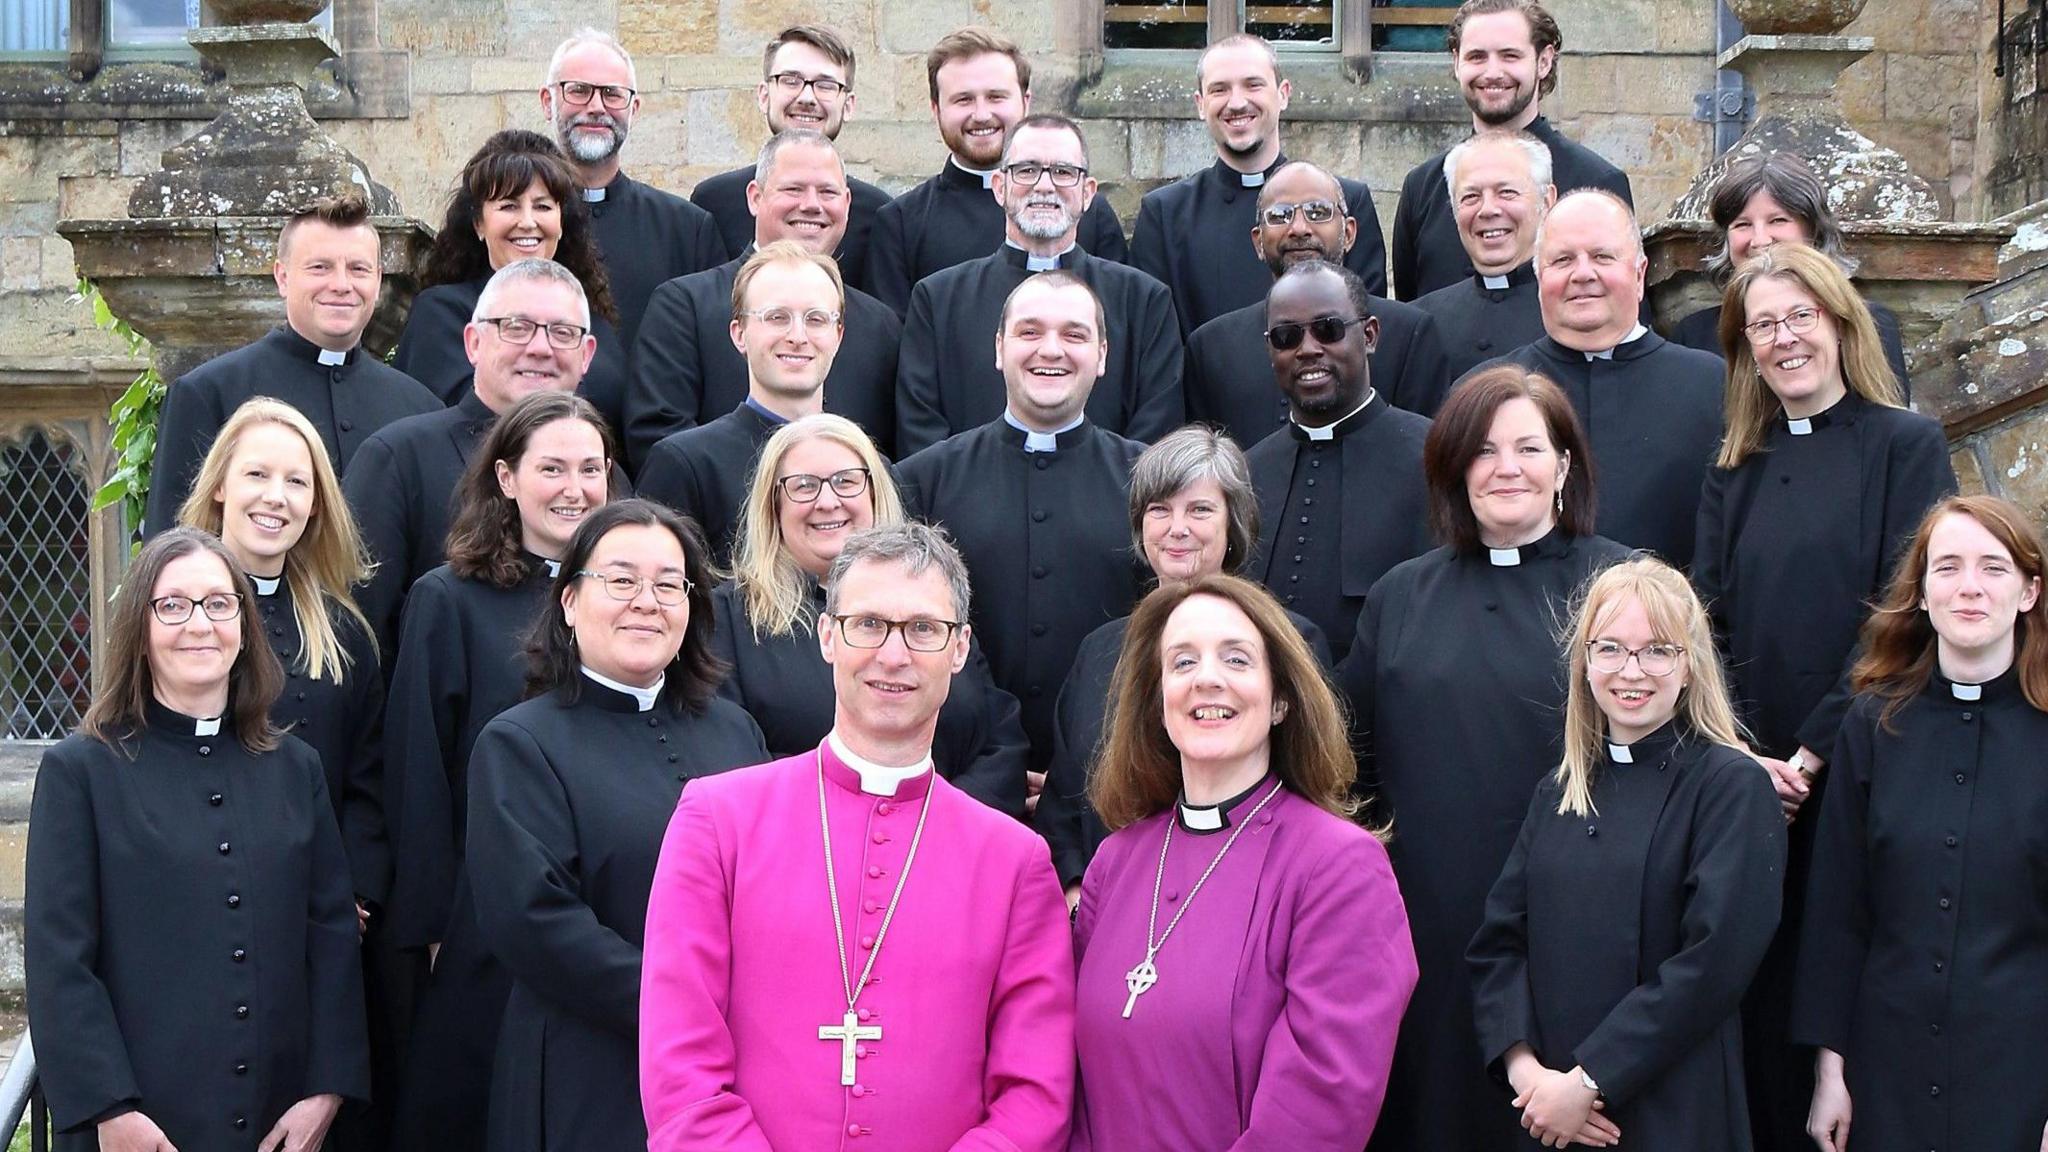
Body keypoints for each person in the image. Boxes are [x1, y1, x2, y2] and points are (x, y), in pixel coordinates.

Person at [640, 522, 1075, 1151]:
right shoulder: (718, 820)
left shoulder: (1014, 862)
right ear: (827, 637)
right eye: (867, 624)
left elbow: (1035, 1093)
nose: (893, 655)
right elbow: (679, 1064)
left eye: (923, 629)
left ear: (959, 649)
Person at [1691, 242, 1957, 1152]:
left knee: (1837, 988)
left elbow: (1900, 611)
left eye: (1801, 316)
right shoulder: (1735, 465)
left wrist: (1806, 757)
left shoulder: (1906, 445)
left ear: (1842, 324)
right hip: (1746, 778)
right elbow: (1706, 618)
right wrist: (1735, 755)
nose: (1784, 338)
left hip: (1853, 768)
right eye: (1763, 324)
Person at [1336, 366, 1628, 1152]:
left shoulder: (1624, 583)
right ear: (1453, 468)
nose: (1507, 467)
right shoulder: (1399, 597)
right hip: (1429, 919)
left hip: (1579, 918)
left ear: (1564, 466)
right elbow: (1345, 757)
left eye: (1530, 448)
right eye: (1484, 450)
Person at [26, 529, 367, 1152]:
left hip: (279, 1123)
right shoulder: (83, 772)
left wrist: (326, 1091)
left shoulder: (297, 769)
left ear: (243, 625)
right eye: (173, 605)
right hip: (137, 1126)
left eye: (219, 603)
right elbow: (59, 960)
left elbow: (333, 941)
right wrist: (110, 1110)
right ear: (141, 630)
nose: (199, 624)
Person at [1069, 574, 1417, 1150]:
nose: (1207, 678)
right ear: (1157, 699)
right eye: (1182, 663)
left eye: (1235, 659)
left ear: (1281, 699)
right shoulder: (1115, 860)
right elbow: (1076, 1078)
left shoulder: (1340, 867)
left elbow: (1321, 1104)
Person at [467, 500, 768, 1152]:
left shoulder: (735, 731)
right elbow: (536, 922)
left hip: (734, 1073)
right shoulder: (519, 743)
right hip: (591, 1072)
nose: (647, 601)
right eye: (622, 580)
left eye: (668, 584)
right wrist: (687, 1008)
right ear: (570, 600)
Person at [1468, 556, 1785, 1151]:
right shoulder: (1558, 790)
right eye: (1610, 648)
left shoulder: (1730, 785)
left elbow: (1713, 962)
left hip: (1673, 1110)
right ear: (1585, 663)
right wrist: (1529, 1076)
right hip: (1551, 1117)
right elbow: (1498, 944)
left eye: (1657, 650)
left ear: (1690, 666)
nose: (1630, 670)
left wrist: (1590, 1079)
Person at [381, 391, 615, 1152]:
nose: (573, 487)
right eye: (552, 467)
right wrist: (433, 927)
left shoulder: (633, 602)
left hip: (607, 915)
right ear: (508, 478)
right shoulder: (447, 599)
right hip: (481, 922)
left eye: (590, 468)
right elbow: (420, 770)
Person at [1794, 495, 2048, 1152]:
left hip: (2021, 1073)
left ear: (2029, 591)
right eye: (1948, 567)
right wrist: (1831, 1071)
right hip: (1886, 1071)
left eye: (1993, 568)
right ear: (1922, 593)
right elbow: (1837, 911)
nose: (1969, 587)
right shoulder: (1872, 724)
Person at [1040, 426, 1331, 897]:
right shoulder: (1098, 651)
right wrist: (1077, 890)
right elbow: (1064, 801)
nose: (1177, 528)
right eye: (1160, 510)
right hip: (1111, 902)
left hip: (1249, 895)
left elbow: (1312, 786)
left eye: (1199, 509)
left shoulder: (1289, 642)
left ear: (1232, 525)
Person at [714, 412, 1030, 814]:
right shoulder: (728, 617)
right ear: (772, 506)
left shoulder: (929, 597)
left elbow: (1000, 740)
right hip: (808, 850)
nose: (827, 501)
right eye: (804, 486)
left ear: (875, 493)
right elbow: (732, 758)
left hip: (951, 853)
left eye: (846, 481)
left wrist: (931, 825)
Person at [897, 272, 1147, 775]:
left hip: (1111, 771)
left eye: (1073, 335)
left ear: (1101, 355)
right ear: (999, 348)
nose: (1050, 350)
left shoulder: (1149, 483)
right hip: (957, 769)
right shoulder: (922, 479)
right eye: (1030, 332)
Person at [143, 193, 440, 535]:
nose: (342, 285)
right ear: (282, 278)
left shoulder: (420, 406)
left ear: (377, 282)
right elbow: (170, 543)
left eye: (358, 269)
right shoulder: (207, 393)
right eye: (320, 267)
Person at [348, 258, 599, 663]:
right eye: (516, 327)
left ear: (586, 354)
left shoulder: (603, 476)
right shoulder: (398, 459)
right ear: (473, 343)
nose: (540, 348)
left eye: (562, 333)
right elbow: (358, 633)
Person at [895, 113, 1182, 456]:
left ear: (1087, 193)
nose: (1044, 186)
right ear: (1000, 187)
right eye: (1026, 170)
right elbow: (921, 433)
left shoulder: (1144, 300)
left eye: (1063, 172)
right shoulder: (938, 299)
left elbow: (1156, 437)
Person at [1473, 189, 1723, 567]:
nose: (1583, 274)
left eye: (1602, 257)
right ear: (1540, 277)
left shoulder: (1714, 386)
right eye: (1562, 260)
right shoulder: (1486, 393)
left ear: (1639, 274)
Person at [625, 130, 899, 468]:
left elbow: (889, 452)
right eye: (793, 189)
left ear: (846, 204)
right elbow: (660, 439)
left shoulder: (881, 325)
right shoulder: (685, 306)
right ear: (755, 197)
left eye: (827, 192)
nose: (811, 205)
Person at [1131, 34, 1387, 339]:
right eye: (1219, 89)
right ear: (1201, 104)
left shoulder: (1346, 200)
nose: (1237, 103)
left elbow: (1366, 326)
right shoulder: (1164, 214)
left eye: (1253, 85)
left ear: (1283, 94)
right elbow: (1154, 340)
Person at [864, 26, 1128, 314]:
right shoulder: (901, 223)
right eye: (963, 99)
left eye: (996, 97)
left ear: (1026, 101)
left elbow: (1119, 320)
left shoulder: (1088, 211)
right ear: (935, 109)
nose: (981, 115)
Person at [1246, 259, 1433, 662]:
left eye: (1328, 329)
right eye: (1286, 337)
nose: (1308, 349)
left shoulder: (1433, 456)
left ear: (1369, 335)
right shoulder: (1247, 471)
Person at [1185, 160, 1449, 441]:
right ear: (1258, 242)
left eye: (1318, 212)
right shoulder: (1210, 348)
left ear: (1348, 233)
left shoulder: (1410, 334)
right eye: (1280, 216)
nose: (1299, 228)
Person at [1392, 0, 1631, 301]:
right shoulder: (1422, 186)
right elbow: (1409, 314)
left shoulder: (1597, 181)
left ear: (1544, 61)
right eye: (1477, 57)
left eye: (1509, 56)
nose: (1493, 72)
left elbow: (1621, 310)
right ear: (1456, 62)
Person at [393, 130, 628, 431]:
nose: (528, 222)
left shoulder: (593, 319)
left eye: (543, 206)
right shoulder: (442, 314)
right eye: (509, 206)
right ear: (479, 223)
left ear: (561, 222)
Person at [637, 241, 844, 564]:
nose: (798, 336)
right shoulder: (686, 465)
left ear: (838, 335)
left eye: (816, 319)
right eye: (777, 317)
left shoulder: (866, 466)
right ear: (739, 333)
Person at [539, 29, 725, 354]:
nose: (596, 107)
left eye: (612, 94)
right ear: (548, 101)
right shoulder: (514, 226)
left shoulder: (688, 230)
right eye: (579, 91)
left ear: (634, 108)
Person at [1670, 152, 1912, 397]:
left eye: (1777, 220)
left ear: (1812, 230)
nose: (1760, 240)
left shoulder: (1868, 322)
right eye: (1742, 225)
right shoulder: (1693, 335)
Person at [688, 25, 894, 287]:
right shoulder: (713, 202)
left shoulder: (878, 212)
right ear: (764, 96)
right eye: (790, 80)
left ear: (849, 104)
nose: (807, 97)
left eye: (826, 85)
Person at [1412, 130, 1555, 381]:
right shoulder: (1419, 323)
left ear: (1547, 201)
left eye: (1507, 192)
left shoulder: (1574, 312)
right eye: (1471, 197)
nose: (1487, 210)